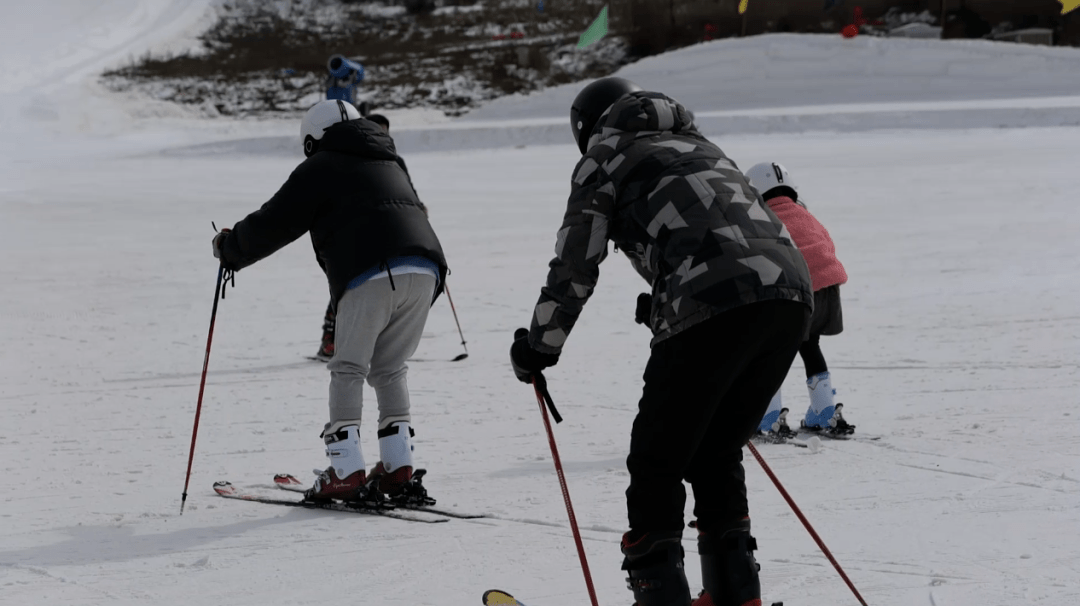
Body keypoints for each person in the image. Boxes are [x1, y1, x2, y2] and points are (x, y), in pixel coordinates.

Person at [508, 78, 814, 606]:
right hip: (790, 295)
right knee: (715, 451)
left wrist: (539, 346)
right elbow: (719, 228)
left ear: (586, 128)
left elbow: (576, 264)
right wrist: (665, 299)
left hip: (712, 300)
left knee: (657, 462)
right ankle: (735, 595)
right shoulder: (702, 145)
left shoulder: (603, 157)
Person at [212, 100, 448, 501]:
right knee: (390, 368)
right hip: (426, 269)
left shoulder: (321, 165)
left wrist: (230, 248)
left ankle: (346, 470)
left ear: (312, 140)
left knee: (349, 367)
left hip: (373, 270)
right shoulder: (391, 160)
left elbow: (276, 220)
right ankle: (397, 467)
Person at [743, 162, 852, 437]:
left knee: (770, 351)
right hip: (828, 290)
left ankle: (768, 416)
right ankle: (824, 410)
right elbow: (826, 243)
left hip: (793, 293)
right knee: (809, 345)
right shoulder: (805, 215)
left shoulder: (761, 217)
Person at [313, 112, 399, 361]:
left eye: (385, 131)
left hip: (388, 234)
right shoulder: (348, 160)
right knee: (346, 288)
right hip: (354, 235)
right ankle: (330, 339)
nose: (381, 135)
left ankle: (377, 341)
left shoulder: (393, 159)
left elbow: (405, 188)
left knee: (383, 290)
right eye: (377, 130)